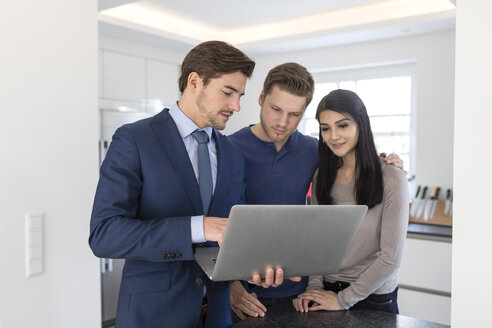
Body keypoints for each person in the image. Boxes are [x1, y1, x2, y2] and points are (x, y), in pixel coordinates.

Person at [89, 41, 281, 328]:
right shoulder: (135, 139)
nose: (236, 106)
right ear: (194, 81)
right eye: (227, 92)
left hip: (218, 316)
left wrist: (253, 268)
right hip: (153, 316)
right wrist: (199, 226)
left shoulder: (231, 154)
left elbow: (231, 233)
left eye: (240, 95)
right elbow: (104, 234)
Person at [227, 64, 405, 321]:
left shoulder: (315, 152)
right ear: (261, 99)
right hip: (247, 291)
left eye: (294, 114)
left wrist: (390, 164)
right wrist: (229, 286)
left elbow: (354, 165)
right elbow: (214, 222)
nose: (282, 122)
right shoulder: (227, 148)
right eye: (276, 109)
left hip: (300, 290)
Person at [292, 89, 409, 314]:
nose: (333, 136)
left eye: (342, 125)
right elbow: (317, 242)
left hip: (372, 297)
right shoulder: (322, 177)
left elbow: (391, 258)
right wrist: (314, 288)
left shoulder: (392, 177)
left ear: (361, 125)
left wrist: (344, 300)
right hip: (327, 292)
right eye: (325, 128)